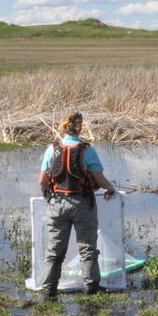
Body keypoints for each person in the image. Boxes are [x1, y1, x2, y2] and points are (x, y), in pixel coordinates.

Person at [38, 112, 117, 299]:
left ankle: (49, 288)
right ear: (79, 127)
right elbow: (99, 178)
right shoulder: (87, 150)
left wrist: (49, 198)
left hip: (57, 204)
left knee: (54, 250)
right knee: (87, 248)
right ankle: (92, 287)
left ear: (63, 127)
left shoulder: (52, 149)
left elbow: (42, 181)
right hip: (82, 204)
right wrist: (110, 188)